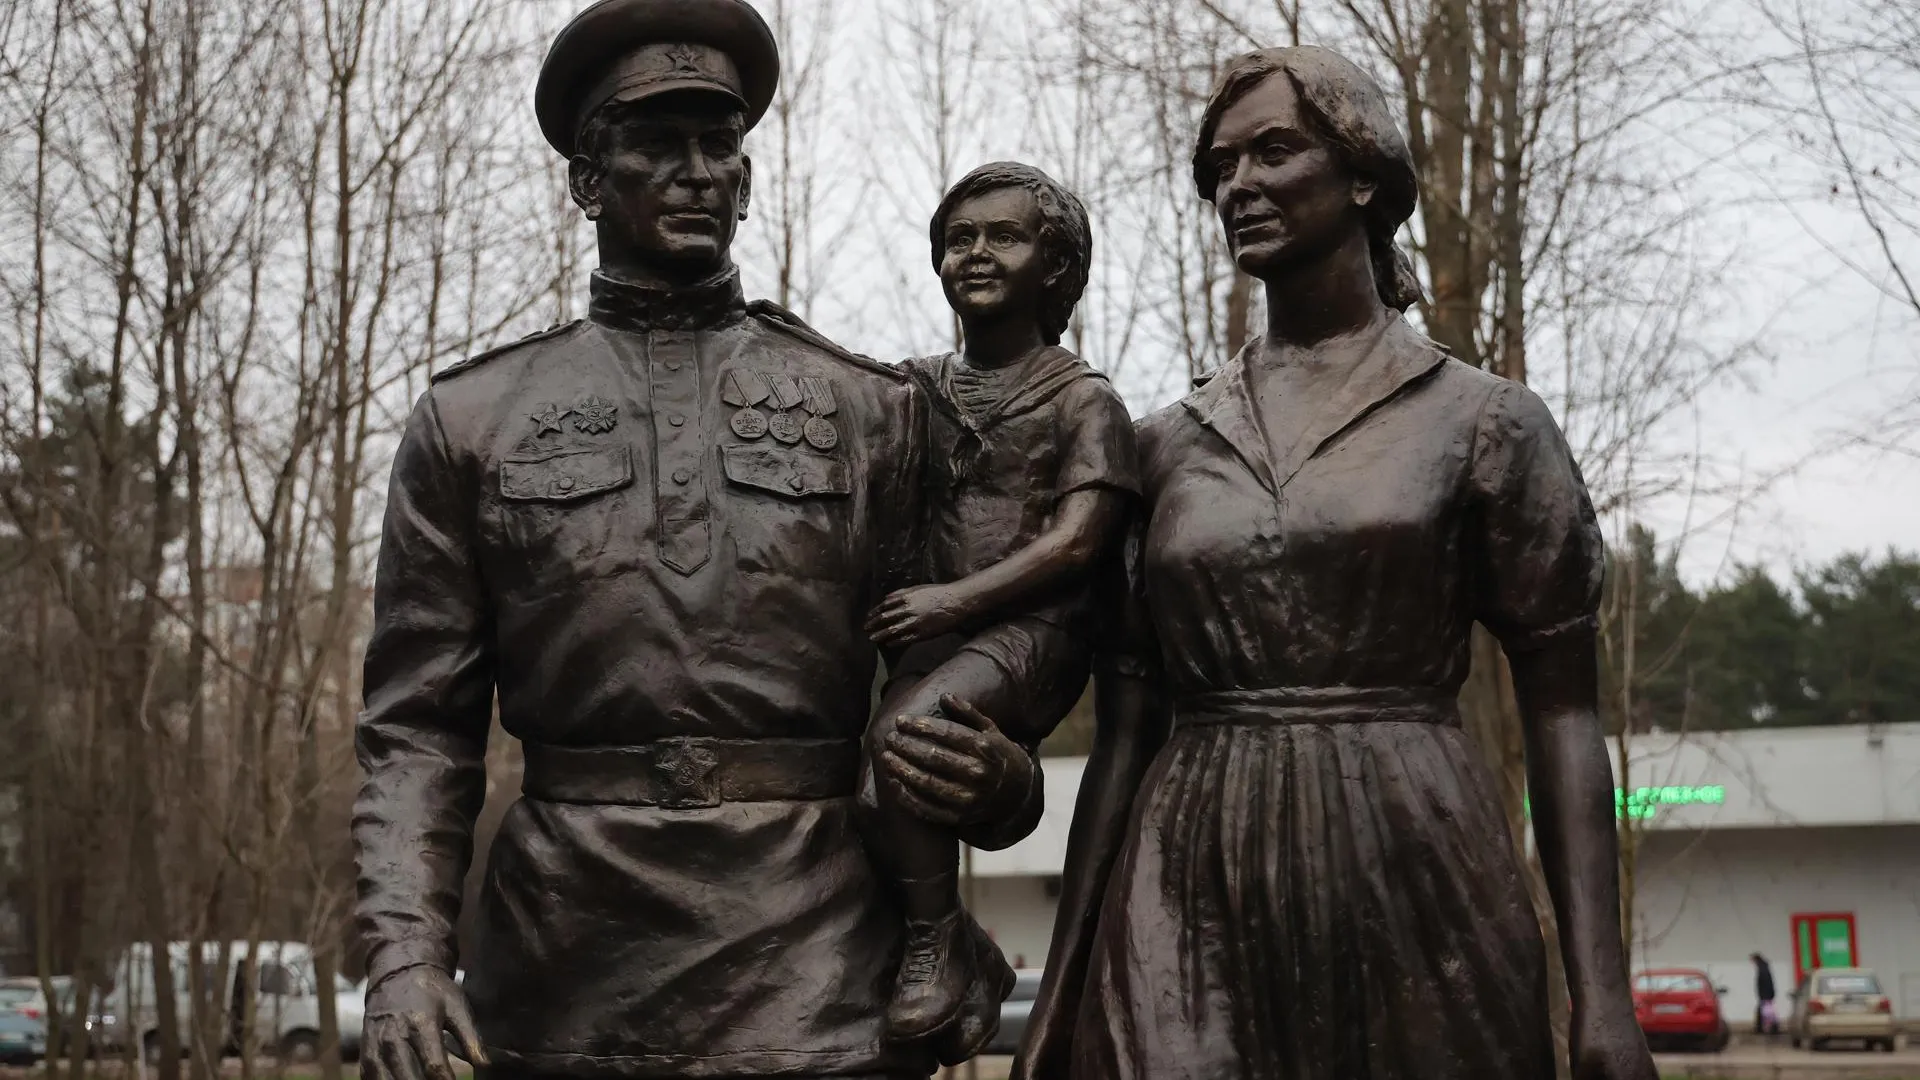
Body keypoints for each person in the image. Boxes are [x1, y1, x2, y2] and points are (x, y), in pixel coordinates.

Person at [352, 3, 1082, 1078]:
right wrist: (405, 954)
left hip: (821, 957)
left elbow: (954, 669)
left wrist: (1006, 785)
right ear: (587, 181)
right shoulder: (473, 419)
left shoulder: (871, 409)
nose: (696, 173)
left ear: (745, 181)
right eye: (657, 144)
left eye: (719, 145)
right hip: (563, 962)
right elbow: (418, 728)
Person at [1013, 46, 1659, 1080]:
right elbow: (1125, 737)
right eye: (1220, 167)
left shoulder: (1485, 424)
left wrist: (1604, 1002)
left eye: (1273, 152)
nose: (1239, 185)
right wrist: (1056, 995)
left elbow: (1565, 715)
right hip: (1187, 879)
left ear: (1364, 174)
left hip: (1415, 859)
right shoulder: (1163, 443)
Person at [861, 162, 1137, 1040]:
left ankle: (937, 941)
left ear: (1056, 267)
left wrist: (950, 604)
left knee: (905, 737)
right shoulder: (914, 388)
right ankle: (957, 951)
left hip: (1034, 630)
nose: (975, 254)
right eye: (959, 239)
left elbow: (1078, 542)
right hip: (931, 633)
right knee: (870, 792)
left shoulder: (1083, 400)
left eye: (1003, 237)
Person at [1754, 953, 1779, 1034]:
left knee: (1767, 1012)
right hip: (1767, 994)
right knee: (1768, 1011)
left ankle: (1769, 1028)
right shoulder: (1764, 967)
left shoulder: (1762, 969)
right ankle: (1770, 1027)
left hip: (1765, 995)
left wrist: (1764, 995)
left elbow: (1764, 983)